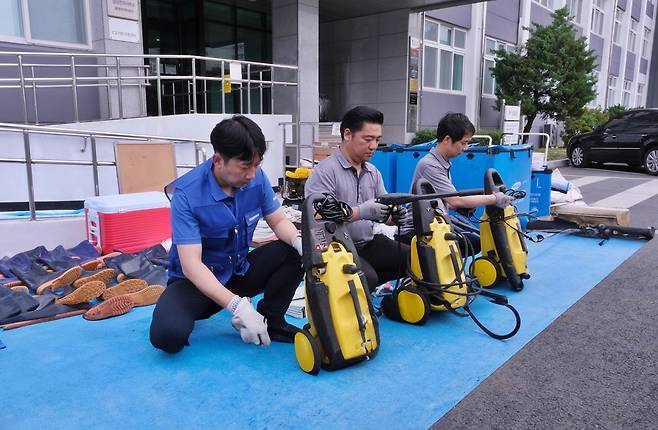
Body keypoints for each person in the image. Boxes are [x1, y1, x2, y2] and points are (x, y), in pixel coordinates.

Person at [150, 116, 304, 353]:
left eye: (257, 164)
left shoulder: (257, 179)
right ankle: (233, 311)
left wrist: (298, 242)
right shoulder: (186, 196)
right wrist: (237, 307)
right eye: (245, 166)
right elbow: (191, 266)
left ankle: (271, 320)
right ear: (218, 160)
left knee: (291, 251)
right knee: (166, 336)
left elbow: (278, 220)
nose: (253, 174)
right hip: (197, 284)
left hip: (239, 271)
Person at [304, 106, 410, 291]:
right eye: (368, 139)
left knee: (416, 258)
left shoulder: (373, 172)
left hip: (368, 243)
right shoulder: (325, 172)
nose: (374, 146)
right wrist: (361, 212)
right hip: (337, 249)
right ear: (347, 134)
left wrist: (393, 217)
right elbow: (319, 217)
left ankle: (375, 291)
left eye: (377, 140)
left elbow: (384, 209)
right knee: (365, 278)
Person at [398, 112, 514, 252]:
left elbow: (446, 200)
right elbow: (455, 200)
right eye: (464, 143)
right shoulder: (430, 165)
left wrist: (467, 204)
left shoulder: (441, 162)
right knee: (472, 244)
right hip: (418, 230)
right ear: (447, 139)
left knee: (475, 241)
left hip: (435, 225)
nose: (465, 148)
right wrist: (494, 198)